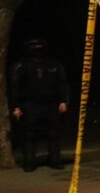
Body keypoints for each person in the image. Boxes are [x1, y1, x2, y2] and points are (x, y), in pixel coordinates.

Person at [9, 38, 69, 171]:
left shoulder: (53, 64)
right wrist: (15, 106)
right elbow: (15, 86)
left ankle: (55, 159)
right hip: (30, 104)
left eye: (39, 46)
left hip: (52, 103)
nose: (37, 49)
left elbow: (62, 83)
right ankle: (30, 161)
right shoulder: (21, 65)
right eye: (34, 46)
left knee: (54, 132)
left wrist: (64, 100)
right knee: (28, 133)